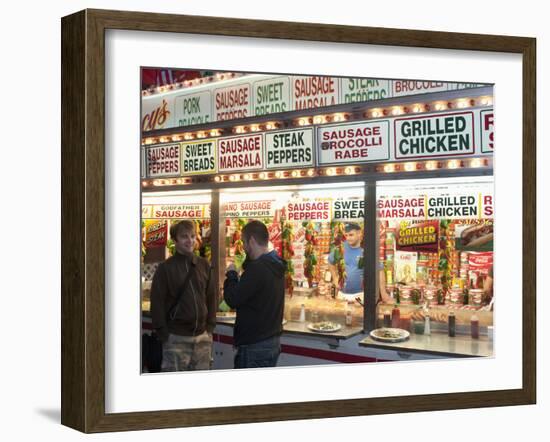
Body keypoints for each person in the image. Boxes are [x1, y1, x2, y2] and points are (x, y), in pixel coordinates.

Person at [150, 220, 217, 371]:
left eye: (193, 236)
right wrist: (164, 334)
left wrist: (210, 328)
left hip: (202, 338)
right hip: (176, 338)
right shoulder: (165, 268)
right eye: (184, 237)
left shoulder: (204, 265)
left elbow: (211, 296)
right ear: (175, 240)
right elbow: (157, 303)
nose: (190, 241)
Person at [223, 220, 286, 369]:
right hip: (271, 343)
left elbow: (232, 299)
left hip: (254, 346)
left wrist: (232, 274)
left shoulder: (258, 269)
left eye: (244, 242)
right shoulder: (275, 263)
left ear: (251, 241)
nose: (244, 247)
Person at [328, 223, 393, 304]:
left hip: (361, 296)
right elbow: (330, 261)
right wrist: (335, 278)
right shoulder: (341, 248)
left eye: (351, 235)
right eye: (346, 235)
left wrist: (383, 294)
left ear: (359, 234)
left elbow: (379, 270)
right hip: (342, 296)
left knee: (359, 316)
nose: (348, 238)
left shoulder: (367, 250)